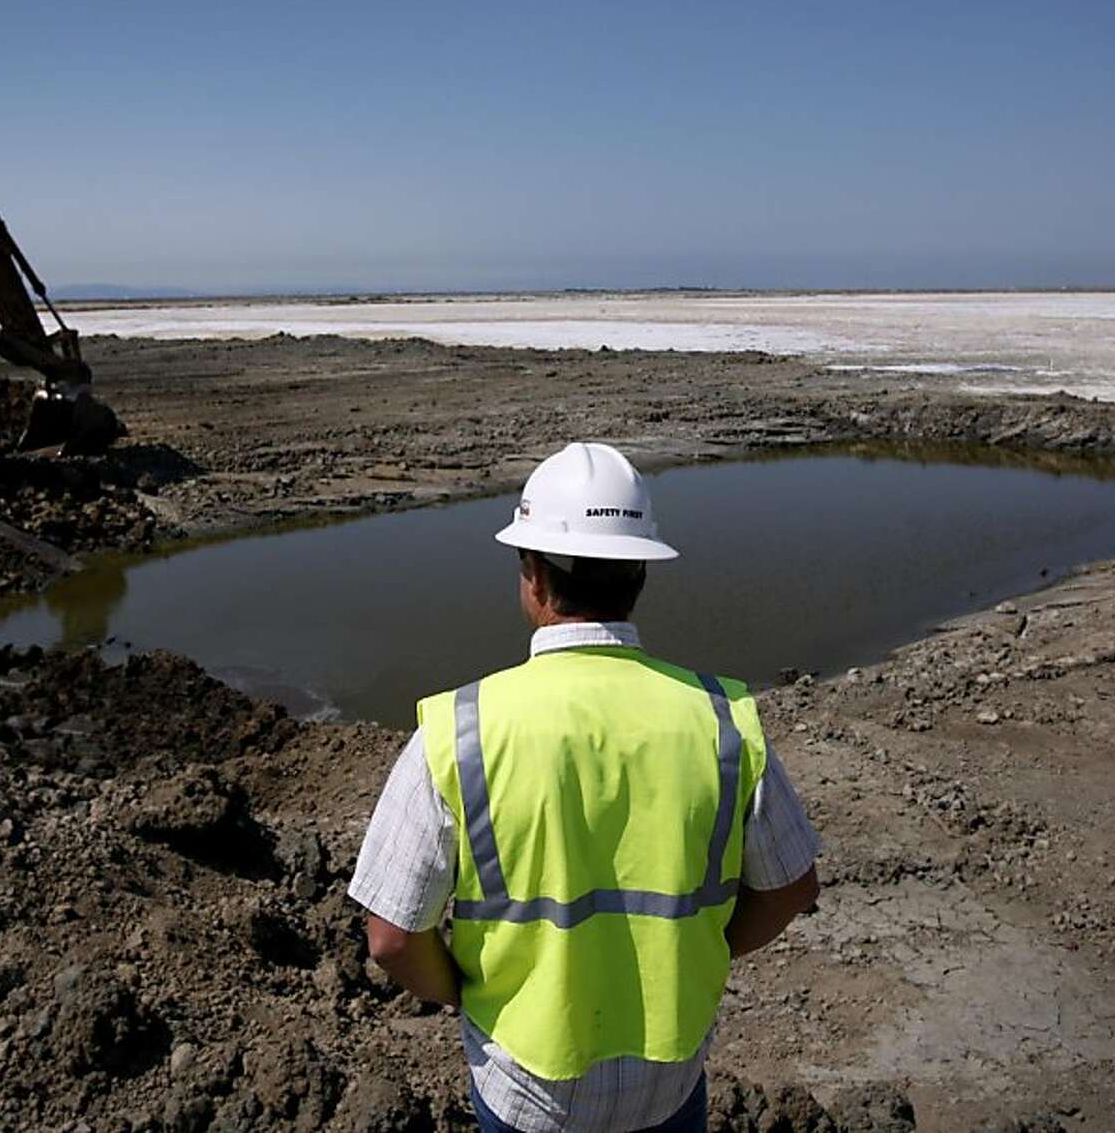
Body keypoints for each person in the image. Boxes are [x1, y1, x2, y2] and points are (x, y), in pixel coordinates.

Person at [348, 442, 822, 1133]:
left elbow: (392, 939)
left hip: (526, 1088)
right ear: (640, 573)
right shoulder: (722, 720)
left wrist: (468, 995)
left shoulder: (460, 730)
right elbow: (790, 888)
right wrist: (707, 954)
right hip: (667, 1080)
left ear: (535, 577)